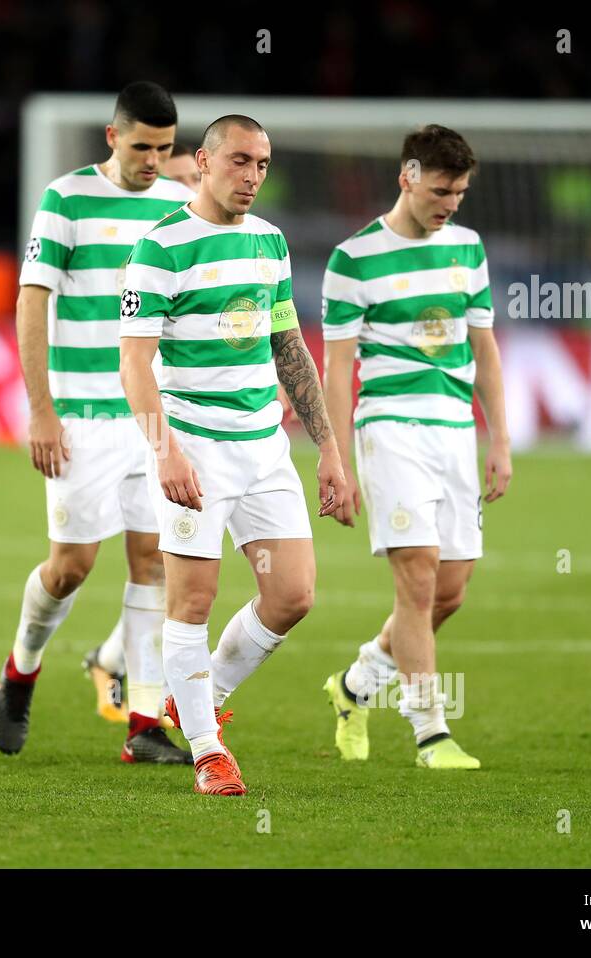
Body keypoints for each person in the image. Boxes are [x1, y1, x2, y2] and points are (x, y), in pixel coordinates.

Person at [120, 115, 349, 795]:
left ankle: (197, 696)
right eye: (240, 161)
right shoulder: (160, 248)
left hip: (263, 450)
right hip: (193, 445)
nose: (252, 177)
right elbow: (134, 363)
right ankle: (205, 749)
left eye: (263, 165)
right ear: (205, 160)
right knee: (193, 599)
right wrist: (166, 453)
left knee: (293, 595)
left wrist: (330, 448)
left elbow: (289, 348)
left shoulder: (270, 243)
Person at [0, 82, 196, 764]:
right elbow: (30, 304)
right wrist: (40, 408)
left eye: (165, 149)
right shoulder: (65, 198)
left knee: (153, 564)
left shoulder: (178, 205)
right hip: (80, 416)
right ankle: (22, 668)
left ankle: (143, 724)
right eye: (142, 147)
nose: (153, 160)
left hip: (153, 416)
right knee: (72, 566)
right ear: (112, 137)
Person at [319, 124, 512, 770]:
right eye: (441, 190)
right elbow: (337, 371)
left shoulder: (468, 249)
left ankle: (354, 687)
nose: (451, 203)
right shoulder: (354, 259)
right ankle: (431, 732)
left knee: (450, 590)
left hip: (455, 432)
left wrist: (500, 440)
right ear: (407, 177)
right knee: (419, 578)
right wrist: (336, 458)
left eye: (459, 192)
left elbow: (484, 350)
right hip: (391, 429)